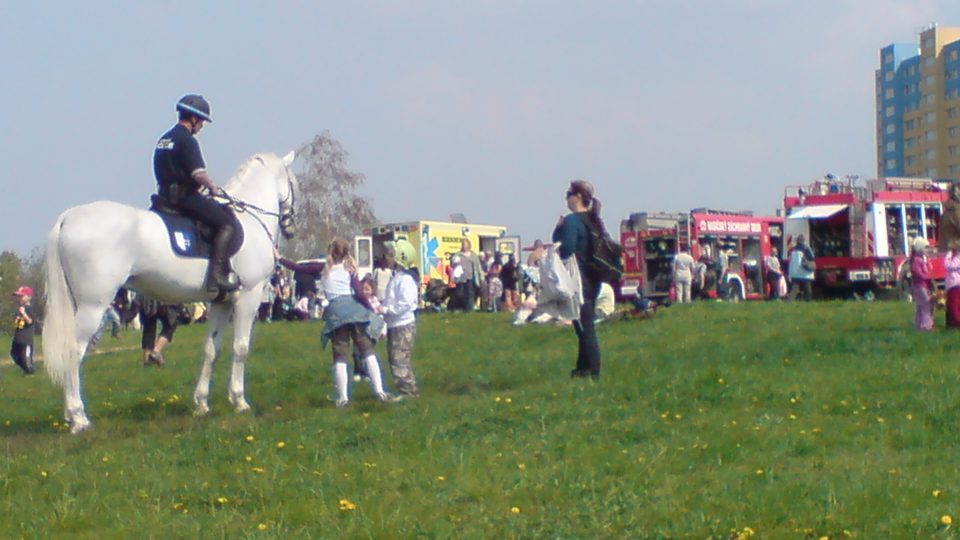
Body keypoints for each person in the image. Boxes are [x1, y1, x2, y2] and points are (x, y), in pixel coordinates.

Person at [154, 94, 238, 292]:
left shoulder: (163, 140)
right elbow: (198, 174)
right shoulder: (187, 141)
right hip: (185, 198)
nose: (201, 127)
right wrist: (212, 187)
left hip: (163, 197)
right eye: (201, 122)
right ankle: (217, 276)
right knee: (226, 224)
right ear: (193, 118)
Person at [318, 238, 398, 407]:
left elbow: (298, 268)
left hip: (336, 314)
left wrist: (280, 259)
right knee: (367, 351)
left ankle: (343, 398)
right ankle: (380, 391)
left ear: (330, 251)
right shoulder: (349, 271)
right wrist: (370, 308)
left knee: (340, 355)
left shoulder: (323, 270)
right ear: (347, 253)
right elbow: (360, 294)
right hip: (354, 312)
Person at [552, 179, 605, 380]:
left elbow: (566, 249)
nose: (566, 198)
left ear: (578, 197)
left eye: (568, 194)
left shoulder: (572, 221)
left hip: (579, 279)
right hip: (594, 278)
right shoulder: (593, 220)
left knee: (585, 327)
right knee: (583, 322)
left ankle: (593, 371)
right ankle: (581, 369)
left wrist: (558, 229)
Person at [378, 240, 421, 398]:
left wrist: (387, 309)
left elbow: (405, 303)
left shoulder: (406, 279)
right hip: (395, 324)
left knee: (399, 359)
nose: (387, 258)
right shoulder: (397, 277)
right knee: (395, 358)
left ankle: (408, 392)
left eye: (391, 255)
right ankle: (406, 390)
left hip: (403, 325)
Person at [139, 296, 181, 367]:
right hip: (164, 299)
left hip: (147, 298)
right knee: (171, 324)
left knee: (149, 326)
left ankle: (147, 359)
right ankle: (156, 351)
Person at [10, 285, 36, 375]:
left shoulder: (29, 309)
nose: (19, 298)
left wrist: (24, 313)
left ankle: (30, 371)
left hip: (26, 339)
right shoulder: (21, 308)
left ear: (29, 297)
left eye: (21, 296)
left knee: (25, 357)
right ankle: (26, 370)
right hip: (17, 338)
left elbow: (30, 321)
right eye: (18, 296)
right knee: (14, 355)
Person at [910, 237, 935, 331]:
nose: (927, 250)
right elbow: (918, 273)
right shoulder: (916, 260)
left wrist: (928, 261)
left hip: (924, 286)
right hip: (920, 286)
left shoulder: (922, 259)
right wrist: (927, 276)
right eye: (925, 248)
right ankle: (926, 326)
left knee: (921, 306)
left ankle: (919, 325)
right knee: (926, 305)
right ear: (919, 249)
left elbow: (930, 269)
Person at [453, 239, 484, 312]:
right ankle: (461, 307)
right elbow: (453, 264)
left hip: (471, 277)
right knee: (460, 293)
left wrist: (481, 277)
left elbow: (478, 266)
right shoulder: (458, 255)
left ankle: (469, 309)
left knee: (470, 294)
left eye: (466, 245)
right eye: (463, 245)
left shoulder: (473, 255)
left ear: (469, 246)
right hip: (460, 278)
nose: (464, 246)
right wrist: (454, 262)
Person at [788, 235, 815, 301]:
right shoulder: (806, 248)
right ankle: (808, 300)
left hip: (794, 272)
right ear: (804, 240)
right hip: (805, 272)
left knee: (795, 288)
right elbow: (812, 257)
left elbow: (789, 258)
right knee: (807, 288)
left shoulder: (793, 249)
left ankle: (790, 300)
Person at [945, 245, 960, 328]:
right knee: (953, 303)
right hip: (953, 283)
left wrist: (949, 255)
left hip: (955, 283)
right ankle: (952, 321)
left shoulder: (958, 257)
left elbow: (948, 265)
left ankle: (956, 322)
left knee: (954, 304)